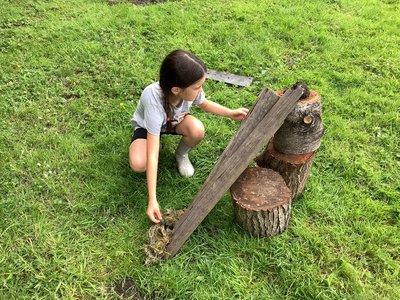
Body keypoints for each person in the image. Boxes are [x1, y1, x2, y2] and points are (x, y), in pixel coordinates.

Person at [129, 49, 248, 223]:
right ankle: (143, 141)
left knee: (197, 130)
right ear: (176, 89)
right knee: (140, 164)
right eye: (197, 87)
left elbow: (205, 104)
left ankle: (181, 154)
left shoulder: (189, 88)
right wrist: (153, 199)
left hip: (175, 122)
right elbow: (153, 154)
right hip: (149, 128)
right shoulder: (153, 101)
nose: (201, 90)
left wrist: (230, 113)